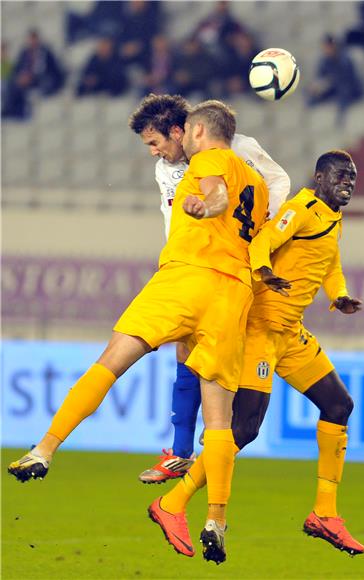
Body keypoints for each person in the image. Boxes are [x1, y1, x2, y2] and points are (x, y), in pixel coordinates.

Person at [8, 100, 270, 565]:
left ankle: (44, 449)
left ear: (195, 130)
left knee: (112, 362)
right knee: (220, 422)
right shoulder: (258, 184)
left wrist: (203, 204)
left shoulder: (210, 157)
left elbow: (216, 198)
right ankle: (216, 518)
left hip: (187, 279)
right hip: (233, 298)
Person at [150, 150, 364, 561]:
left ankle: (325, 513)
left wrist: (338, 295)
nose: (349, 183)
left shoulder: (331, 218)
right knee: (243, 431)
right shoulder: (300, 208)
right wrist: (265, 271)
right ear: (319, 177)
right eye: (341, 175)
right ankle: (172, 503)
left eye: (353, 178)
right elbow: (265, 239)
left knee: (339, 405)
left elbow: (330, 261)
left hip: (290, 335)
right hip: (260, 333)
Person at [128, 94, 290, 486]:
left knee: (223, 357)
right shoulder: (167, 170)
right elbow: (174, 219)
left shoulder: (240, 148)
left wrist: (262, 234)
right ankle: (181, 452)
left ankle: (218, 439)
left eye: (155, 142)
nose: (154, 153)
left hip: (235, 268)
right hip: (194, 270)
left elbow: (279, 180)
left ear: (180, 131)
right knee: (186, 352)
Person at [306, 34, 364, 122]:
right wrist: (317, 86)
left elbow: (347, 79)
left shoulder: (345, 58)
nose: (326, 50)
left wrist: (330, 81)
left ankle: (340, 120)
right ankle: (311, 118)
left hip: (350, 88)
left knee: (344, 92)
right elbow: (319, 77)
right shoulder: (324, 61)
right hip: (334, 87)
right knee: (311, 94)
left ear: (333, 46)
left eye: (328, 47)